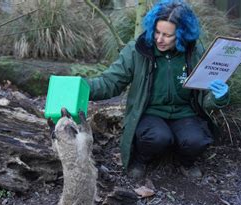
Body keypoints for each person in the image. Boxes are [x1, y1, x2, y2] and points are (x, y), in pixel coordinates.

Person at [86, 0, 230, 179]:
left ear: (182, 34)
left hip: (184, 113)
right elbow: (111, 82)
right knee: (158, 137)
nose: (159, 39)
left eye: (168, 35)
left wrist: (219, 97)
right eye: (157, 32)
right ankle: (140, 159)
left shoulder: (194, 52)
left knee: (197, 140)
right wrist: (82, 88)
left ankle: (185, 161)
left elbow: (205, 98)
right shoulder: (138, 50)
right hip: (149, 112)